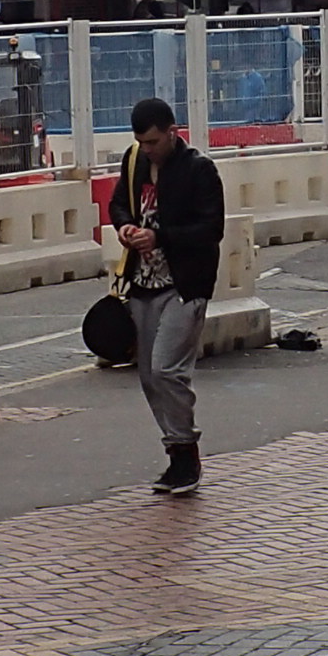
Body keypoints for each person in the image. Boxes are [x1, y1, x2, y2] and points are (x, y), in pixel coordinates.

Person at [106, 97, 224, 496]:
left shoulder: (198, 170)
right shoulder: (135, 160)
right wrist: (124, 228)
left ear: (173, 132)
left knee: (166, 370)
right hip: (142, 283)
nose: (148, 148)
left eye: (155, 141)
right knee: (147, 376)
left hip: (184, 285)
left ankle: (186, 450)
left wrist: (160, 236)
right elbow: (119, 203)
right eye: (142, 141)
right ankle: (176, 452)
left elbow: (211, 229)